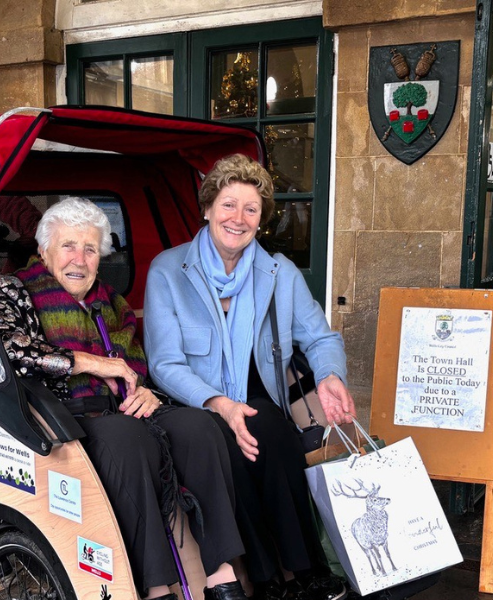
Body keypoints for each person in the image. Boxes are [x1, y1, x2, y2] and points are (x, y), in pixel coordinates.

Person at [0, 197, 249, 600]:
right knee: (127, 440)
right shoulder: (14, 289)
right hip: (61, 416)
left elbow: (135, 364)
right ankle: (154, 586)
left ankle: (221, 572)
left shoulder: (111, 300)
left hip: (125, 409)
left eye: (90, 249)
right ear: (44, 251)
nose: (80, 259)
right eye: (68, 246)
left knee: (200, 427)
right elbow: (13, 351)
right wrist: (92, 363)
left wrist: (145, 391)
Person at [143, 154, 354, 600]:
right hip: (196, 404)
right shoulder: (168, 270)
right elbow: (164, 363)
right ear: (207, 208)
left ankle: (307, 570)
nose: (238, 218)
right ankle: (266, 579)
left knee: (273, 435)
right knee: (227, 449)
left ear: (261, 219)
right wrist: (220, 404)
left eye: (250, 209)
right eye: (228, 205)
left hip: (257, 396)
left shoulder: (278, 273)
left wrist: (330, 375)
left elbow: (320, 338)